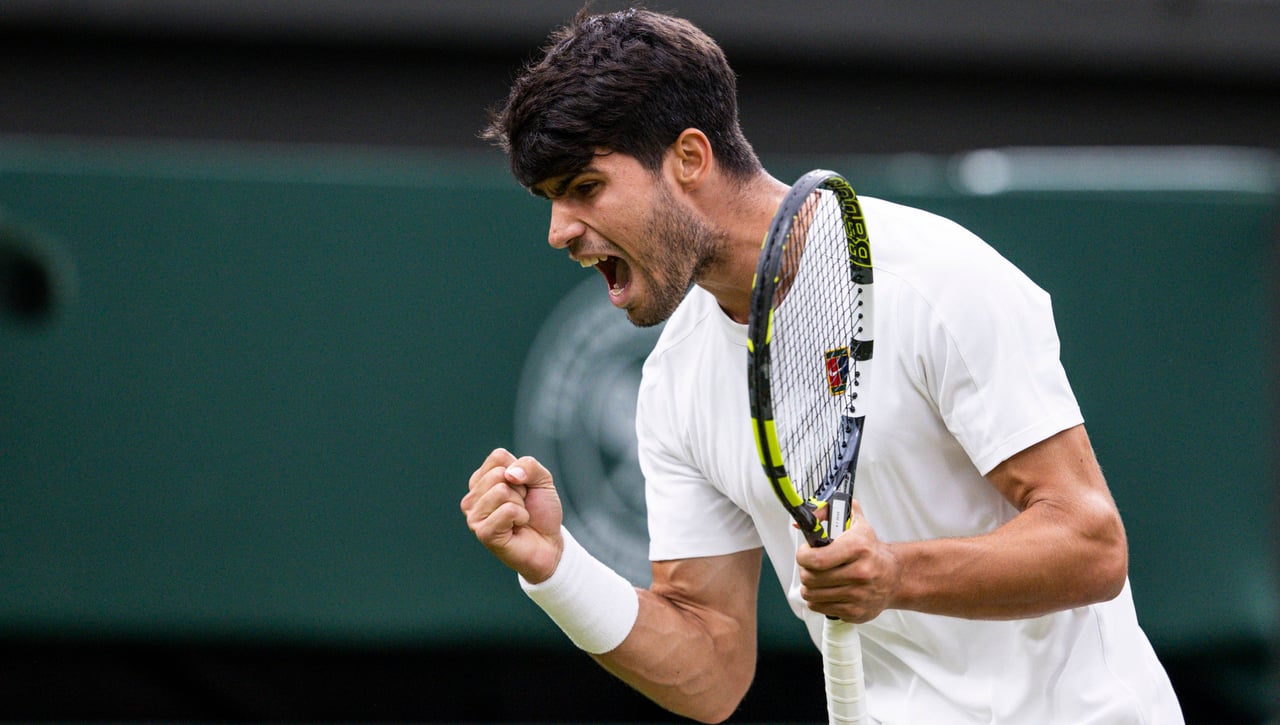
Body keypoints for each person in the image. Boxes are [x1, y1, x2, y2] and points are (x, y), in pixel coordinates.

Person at [460, 7, 1183, 724]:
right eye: (550, 201)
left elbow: (1091, 541)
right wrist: (556, 568)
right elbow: (710, 669)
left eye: (585, 188)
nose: (560, 232)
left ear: (688, 158)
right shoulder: (673, 381)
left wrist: (894, 574)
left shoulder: (938, 280)